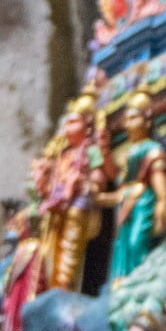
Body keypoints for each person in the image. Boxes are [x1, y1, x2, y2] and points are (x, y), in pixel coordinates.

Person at [32, 88, 116, 290]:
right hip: (56, 208)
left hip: (77, 206)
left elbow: (101, 175)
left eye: (73, 122)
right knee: (49, 250)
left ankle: (64, 285)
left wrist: (90, 184)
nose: (67, 128)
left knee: (69, 252)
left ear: (87, 127)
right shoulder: (63, 155)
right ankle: (51, 285)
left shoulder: (90, 150)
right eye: (66, 123)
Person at [97, 91, 166, 281]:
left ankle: (139, 276)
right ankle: (122, 278)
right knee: (122, 243)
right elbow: (114, 174)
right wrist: (104, 148)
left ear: (147, 120)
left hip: (143, 198)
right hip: (125, 199)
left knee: (137, 240)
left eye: (133, 117)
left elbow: (157, 175)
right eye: (127, 119)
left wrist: (164, 200)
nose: (128, 123)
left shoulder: (151, 148)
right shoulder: (124, 151)